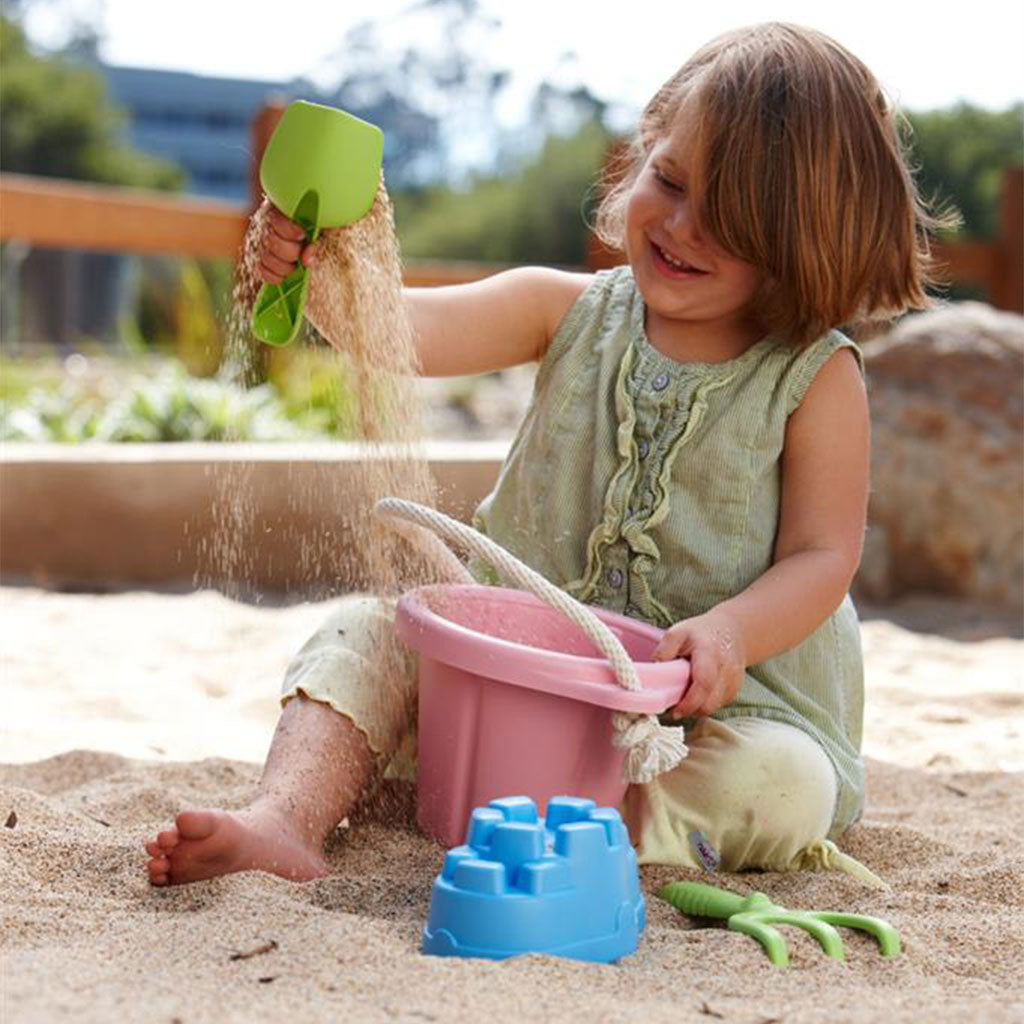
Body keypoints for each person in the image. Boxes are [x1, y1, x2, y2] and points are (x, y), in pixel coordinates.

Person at [144, 22, 948, 887]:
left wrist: (730, 634)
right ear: (645, 150)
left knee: (784, 785)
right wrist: (318, 268)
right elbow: (401, 333)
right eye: (669, 180)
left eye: (730, 220)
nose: (681, 226)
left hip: (696, 713)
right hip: (516, 675)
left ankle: (583, 828)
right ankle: (288, 817)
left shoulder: (813, 377)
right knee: (364, 634)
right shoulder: (561, 309)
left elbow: (824, 556)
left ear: (803, 241)